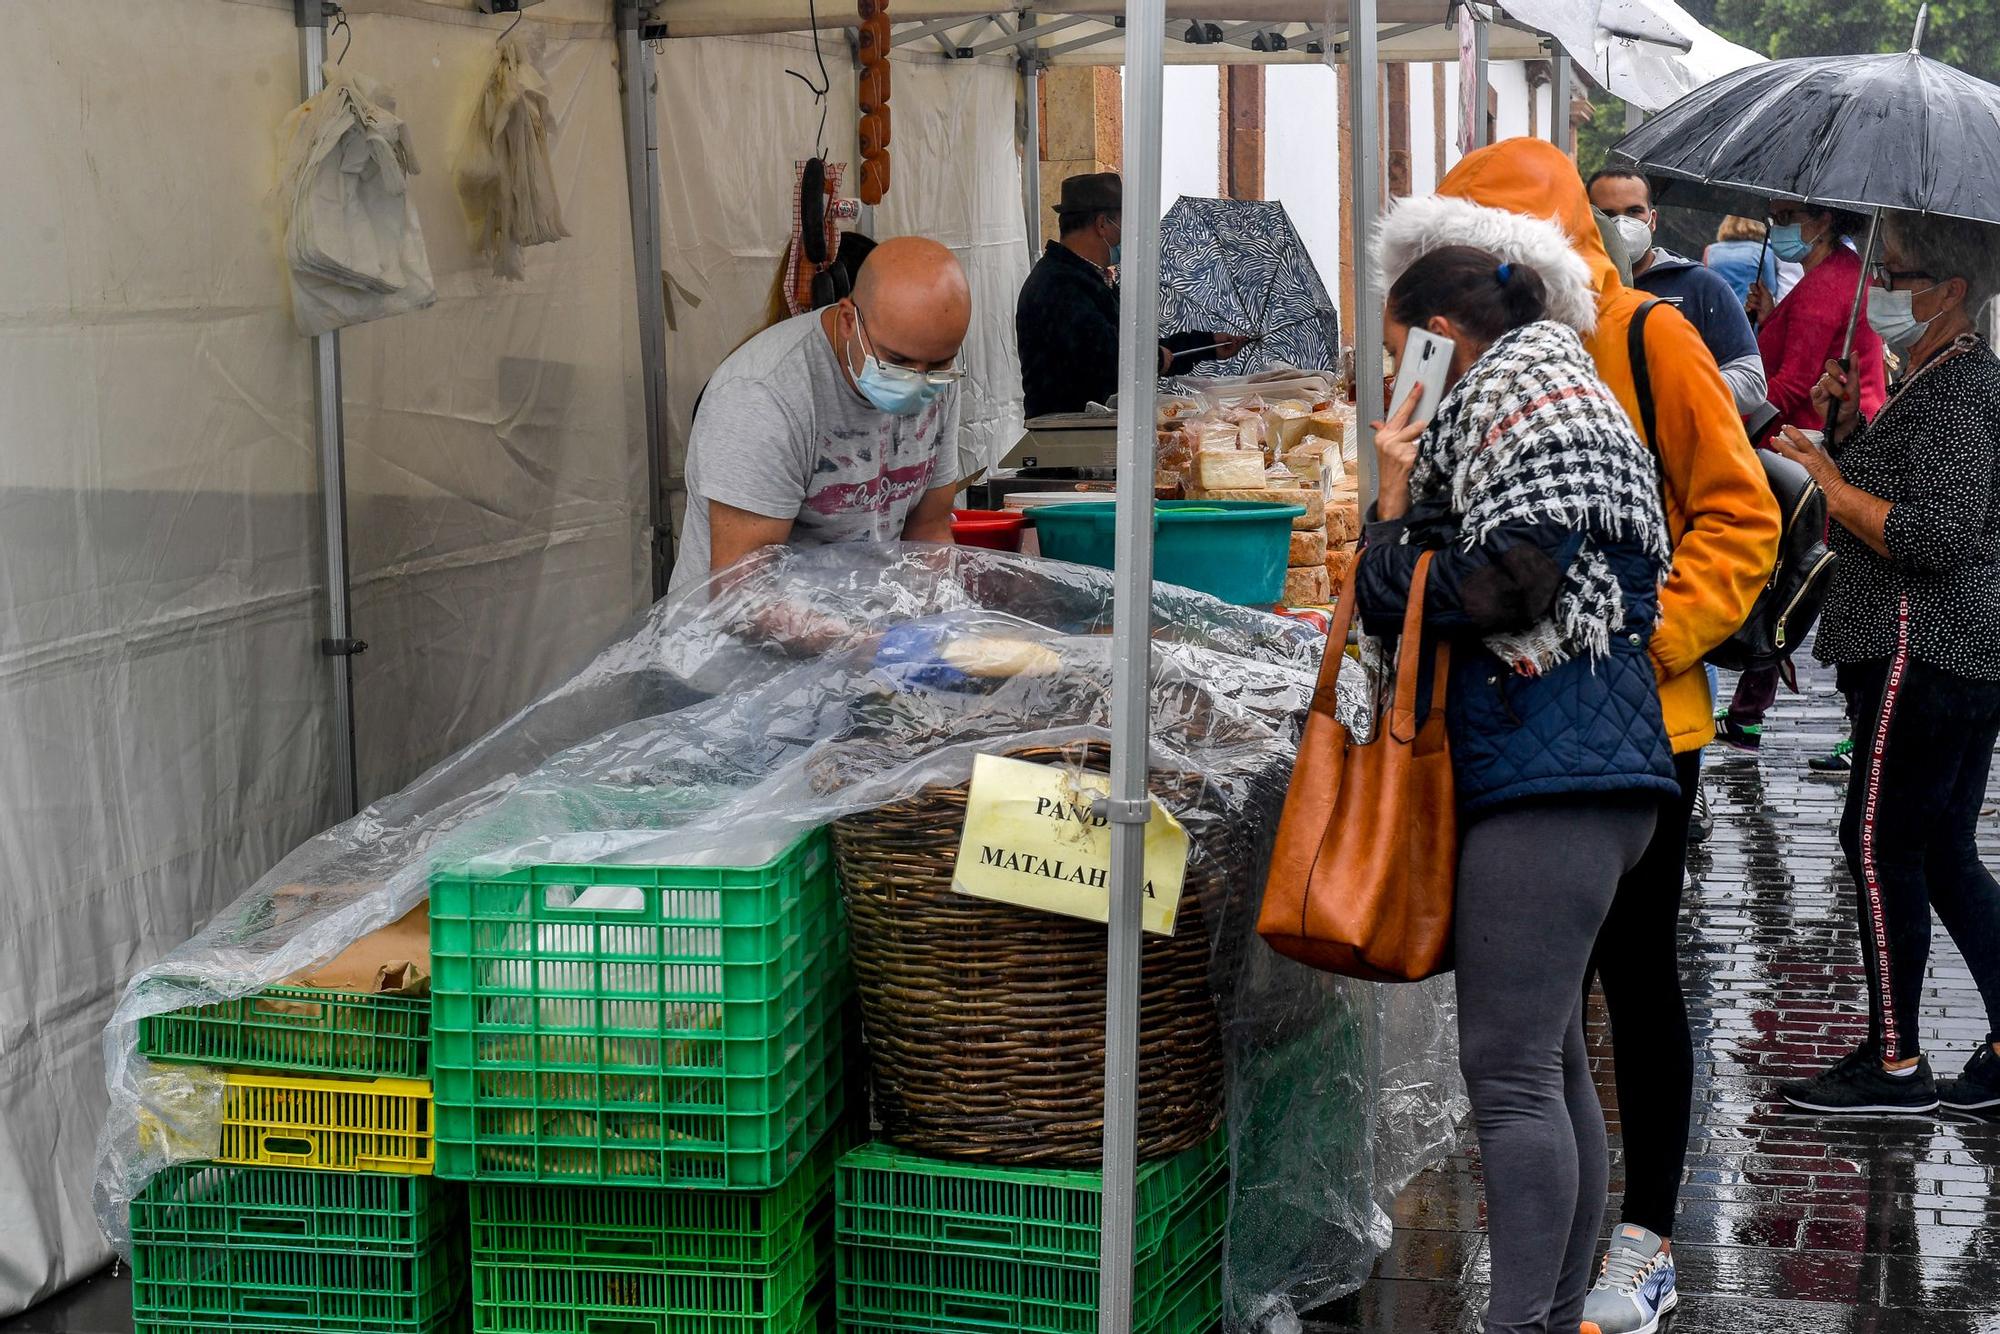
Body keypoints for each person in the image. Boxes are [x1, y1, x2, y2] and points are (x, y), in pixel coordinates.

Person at [1377, 138, 1781, 1334]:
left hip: (1628, 717)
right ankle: (1565, 1288)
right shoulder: (1488, 364)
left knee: (1633, 985)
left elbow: (1737, 511)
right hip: (1549, 723)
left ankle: (1642, 1241)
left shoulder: (1639, 340)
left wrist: (1638, 637)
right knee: (1555, 1029)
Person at [1357, 244, 1677, 1334]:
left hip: (1553, 776)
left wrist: (1389, 514)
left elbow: (1498, 587)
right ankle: (1544, 1315)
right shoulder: (1560, 387)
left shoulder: (1516, 406)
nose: (1400, 373)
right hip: (1595, 769)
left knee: (1506, 1074)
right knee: (1546, 1063)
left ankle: (1520, 1325)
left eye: (1402, 348)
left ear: (1441, 337)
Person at [1767, 210, 2000, 1118]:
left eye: (1896, 275)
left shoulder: (1958, 388)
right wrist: (1841, 425)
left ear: (1946, 292)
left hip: (1927, 648)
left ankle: (1895, 1066)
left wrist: (1828, 480)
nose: (1882, 291)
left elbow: (1932, 534)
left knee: (1875, 844)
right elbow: (1902, 489)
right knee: (1939, 850)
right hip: (1938, 650)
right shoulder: (1930, 377)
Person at [670, 236, 970, 601]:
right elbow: (743, 593)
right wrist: (866, 642)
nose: (917, 380)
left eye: (938, 364)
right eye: (898, 361)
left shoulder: (939, 375)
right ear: (848, 321)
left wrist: (937, 616)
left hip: (864, 633)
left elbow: (929, 529)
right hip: (736, 646)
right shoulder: (763, 396)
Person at [1716, 202, 1890, 760]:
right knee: (1786, 571)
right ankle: (1751, 711)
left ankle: (1859, 724)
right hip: (1810, 436)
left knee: (1789, 574)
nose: (1775, 220)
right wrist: (1767, 320)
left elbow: (1791, 382)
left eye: (1789, 213)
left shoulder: (1825, 284)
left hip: (1805, 441)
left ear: (1821, 220)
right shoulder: (1831, 272)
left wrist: (1730, 426)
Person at [1014, 172, 1246, 417]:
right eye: (1125, 224)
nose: (1129, 235)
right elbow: (1109, 356)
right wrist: (1155, 358)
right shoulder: (1059, 284)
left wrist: (1207, 345)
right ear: (1102, 224)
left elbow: (1127, 347)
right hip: (1069, 434)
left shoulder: (1087, 278)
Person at [1588, 168, 1768, 414]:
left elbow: (1752, 382)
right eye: (1607, 215)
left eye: (1633, 212)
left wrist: (1676, 392)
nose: (1621, 225)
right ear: (1589, 222)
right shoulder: (1572, 293)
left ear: (1652, 220)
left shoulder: (1701, 286)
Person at [1704, 215, 1780, 306]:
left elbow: (1704, 286)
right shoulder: (1763, 252)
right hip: (1747, 313)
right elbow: (1771, 290)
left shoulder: (1710, 251)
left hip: (1717, 311)